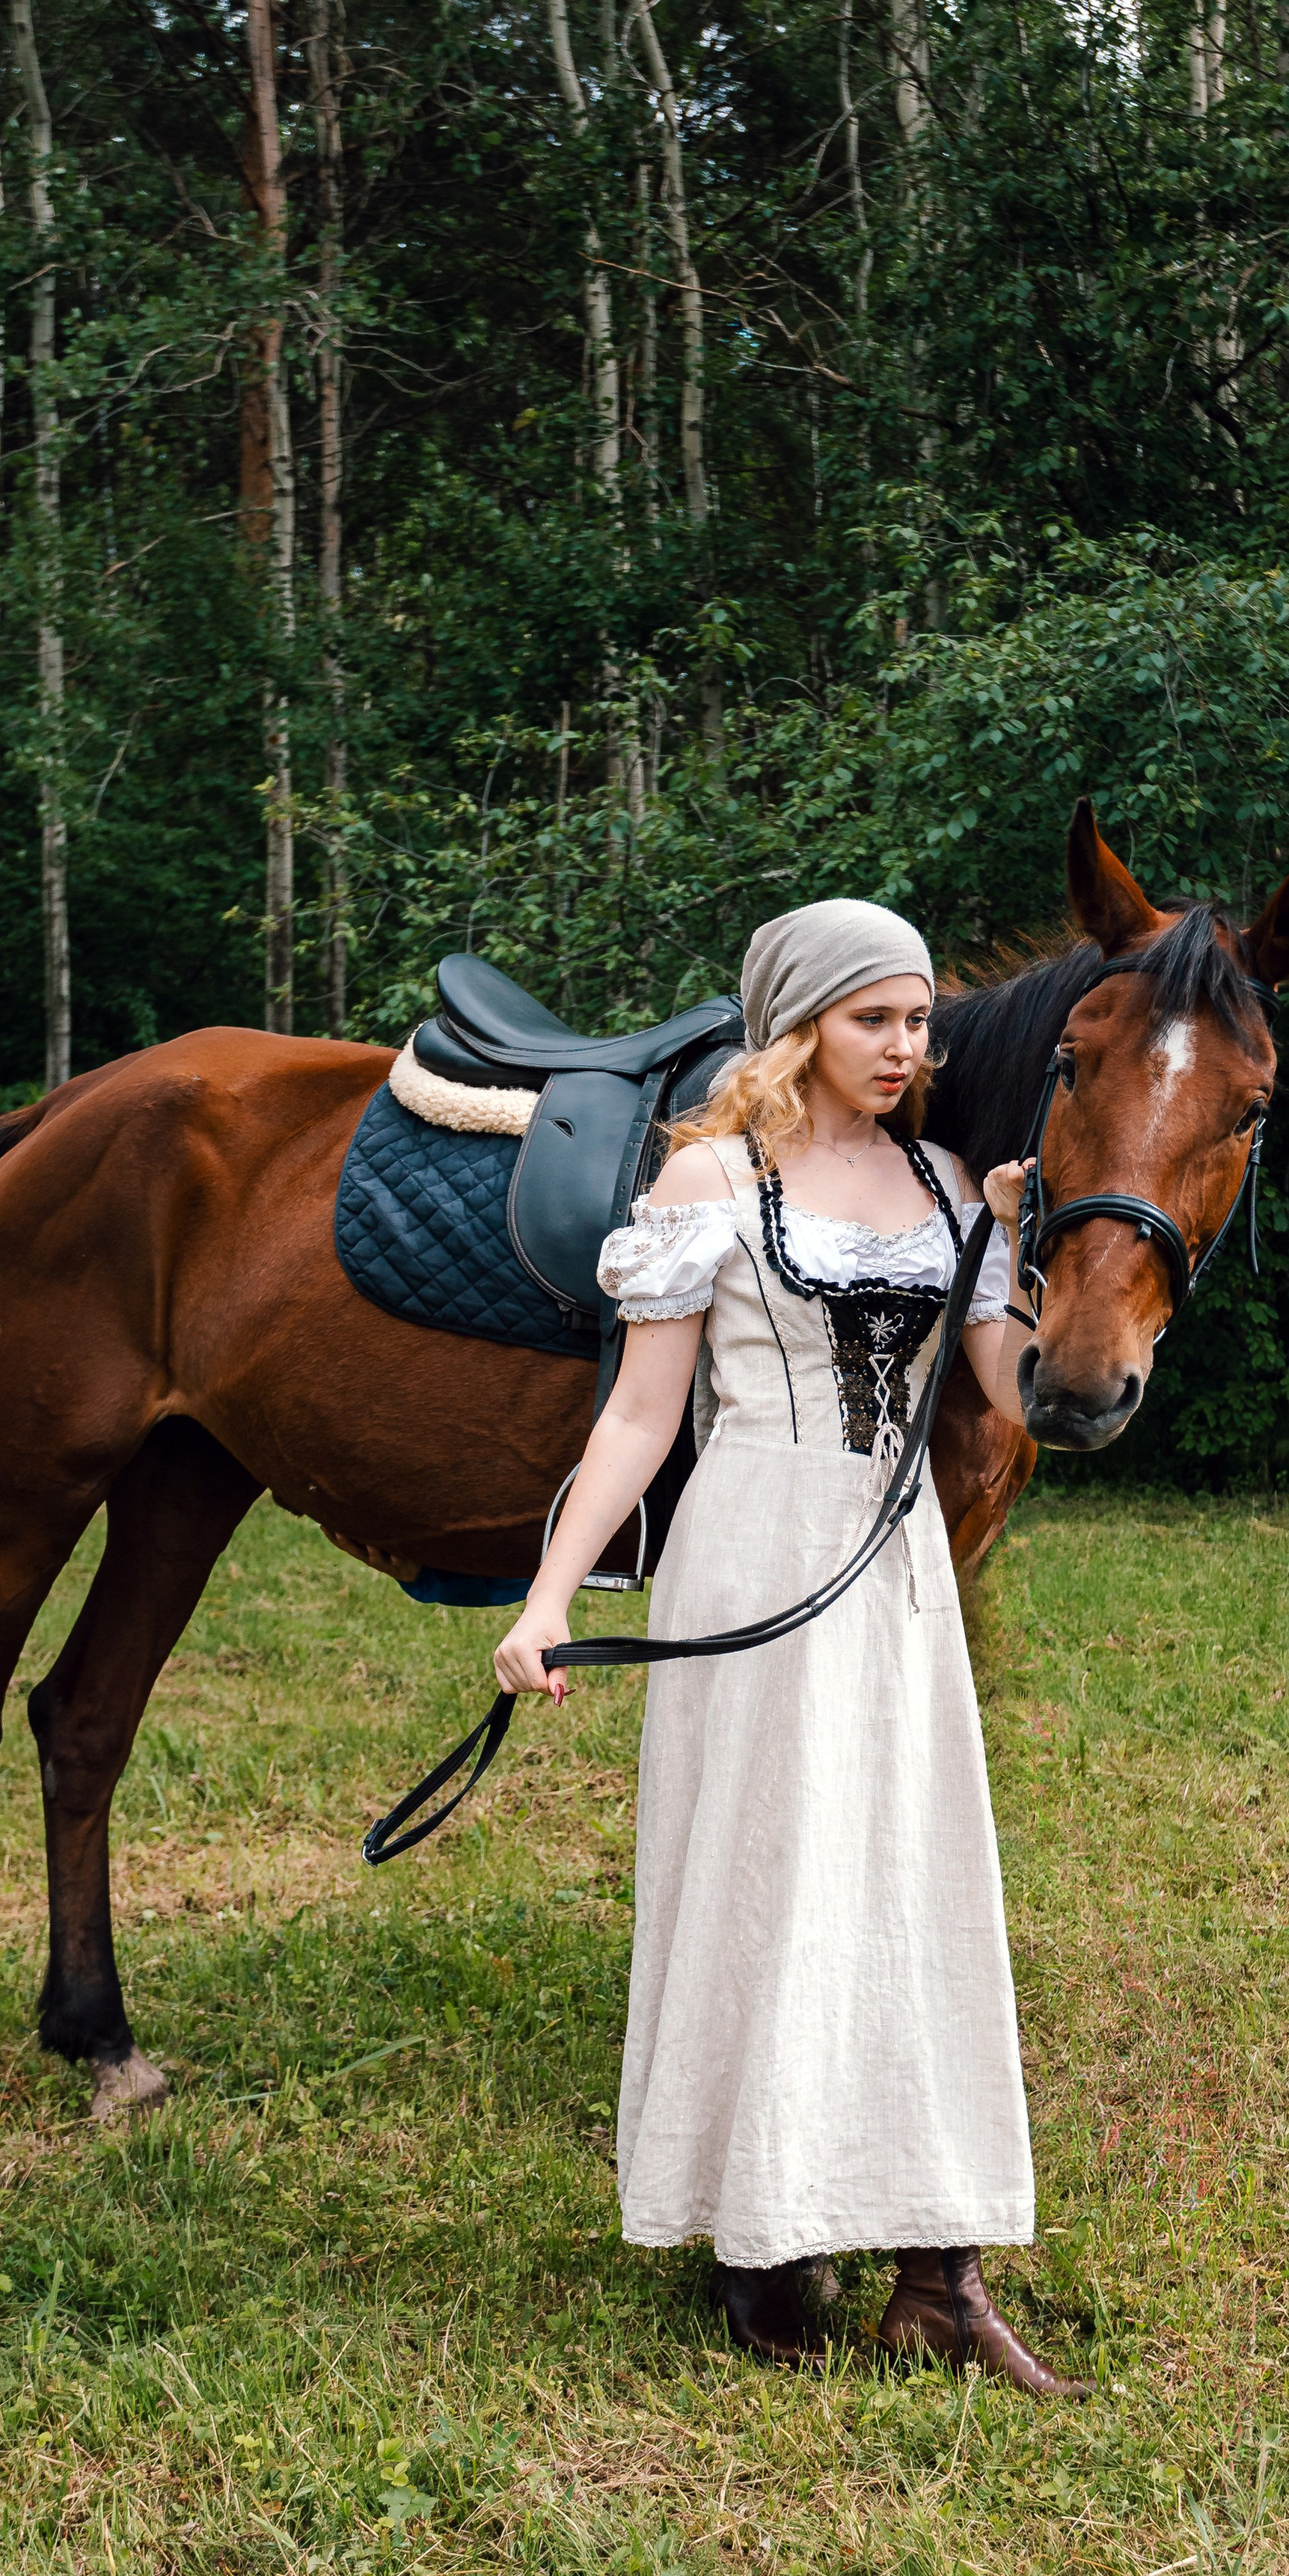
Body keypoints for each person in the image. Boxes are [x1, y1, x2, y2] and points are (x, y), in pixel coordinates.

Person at [495, 899, 1085, 2397]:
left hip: (895, 1576)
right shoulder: (712, 1177)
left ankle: (938, 2276)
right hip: (753, 1549)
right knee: (765, 1880)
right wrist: (550, 1597)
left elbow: (1010, 1384)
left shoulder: (940, 1182)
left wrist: (1026, 1251)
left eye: (916, 1019)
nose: (906, 1046)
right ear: (800, 1025)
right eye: (872, 1018)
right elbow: (640, 1417)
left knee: (909, 1881)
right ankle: (762, 2243)